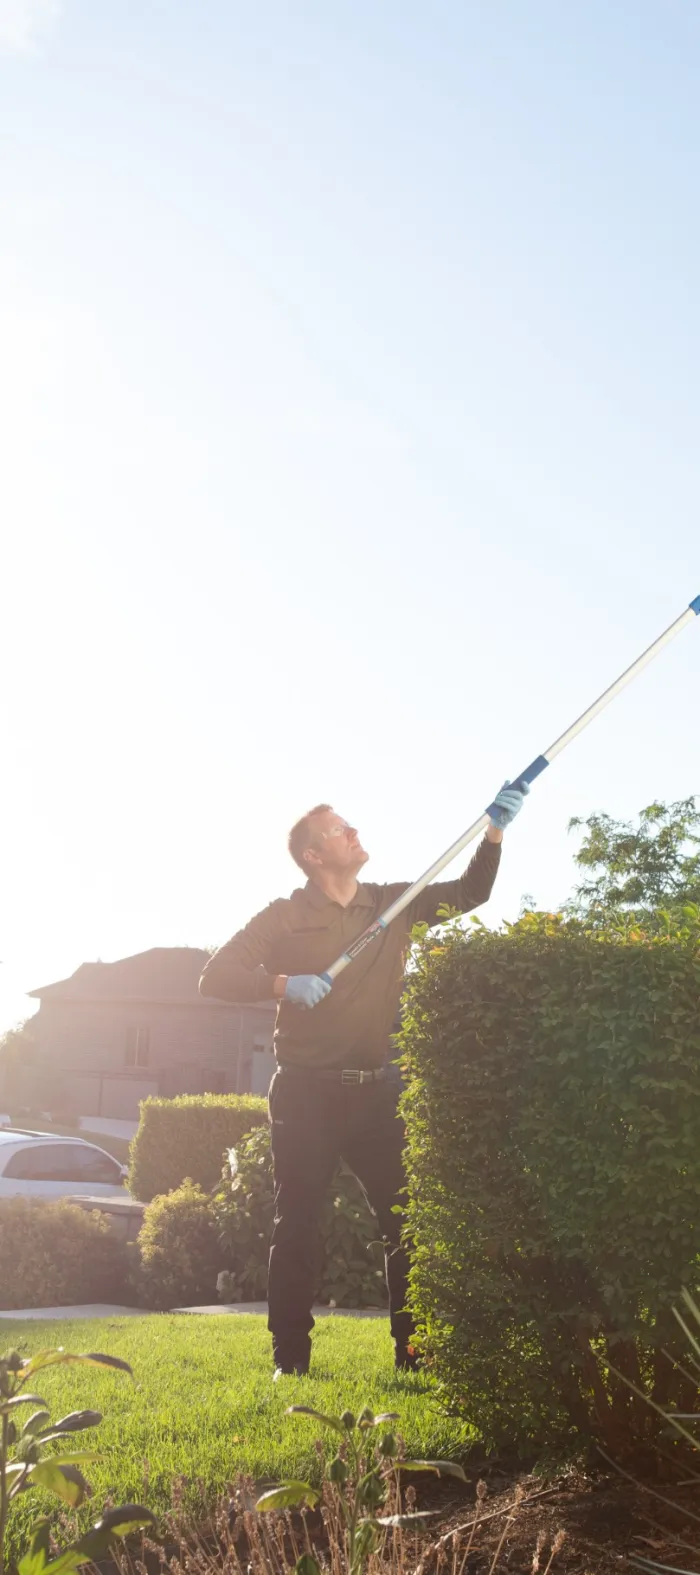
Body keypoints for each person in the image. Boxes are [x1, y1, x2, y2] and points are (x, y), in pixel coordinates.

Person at [199, 786, 527, 1378]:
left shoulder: (391, 905)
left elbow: (471, 893)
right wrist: (282, 984)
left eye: (350, 825)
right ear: (312, 856)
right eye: (338, 830)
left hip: (377, 1093)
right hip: (306, 1094)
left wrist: (494, 834)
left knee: (406, 1221)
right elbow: (214, 977)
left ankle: (414, 1354)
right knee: (297, 1223)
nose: (353, 833)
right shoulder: (283, 916)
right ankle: (290, 1361)